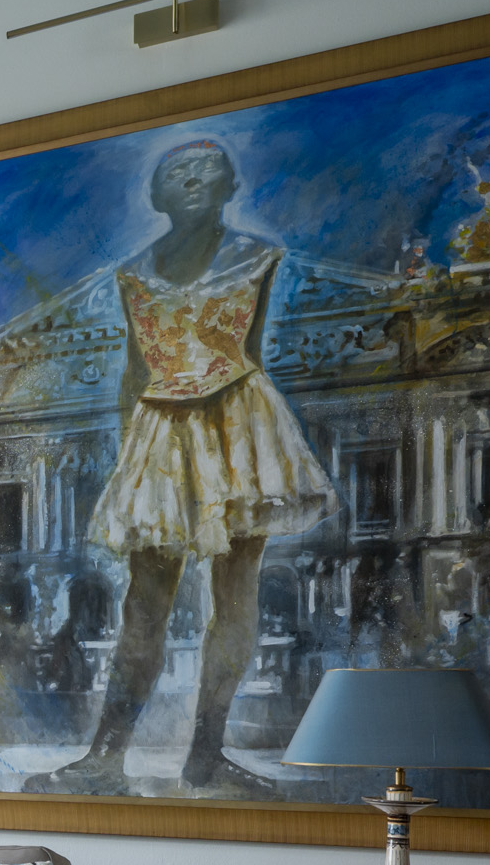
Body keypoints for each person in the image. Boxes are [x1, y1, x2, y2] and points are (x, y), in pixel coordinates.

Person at [28, 139, 337, 797]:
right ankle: (106, 754)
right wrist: (129, 459)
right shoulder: (134, 274)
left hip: (239, 421)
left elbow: (251, 351)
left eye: (207, 170)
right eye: (178, 172)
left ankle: (206, 751)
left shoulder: (256, 257)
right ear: (157, 194)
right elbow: (135, 369)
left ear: (229, 186)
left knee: (236, 593)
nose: (193, 179)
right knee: (145, 600)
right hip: (160, 426)